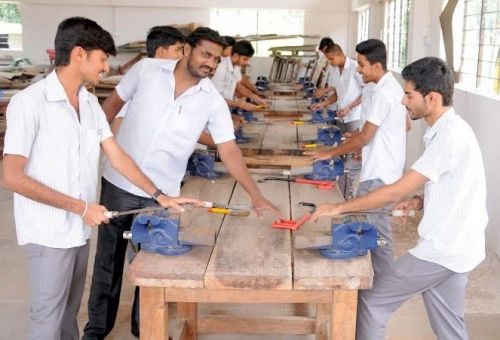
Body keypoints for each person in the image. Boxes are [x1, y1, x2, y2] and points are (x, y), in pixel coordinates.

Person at [1, 17, 199, 340]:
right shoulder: (30, 102)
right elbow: (11, 176)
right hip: (48, 231)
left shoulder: (90, 104)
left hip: (78, 231)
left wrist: (158, 194)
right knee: (47, 318)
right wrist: (80, 207)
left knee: (67, 315)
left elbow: (116, 155)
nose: (106, 67)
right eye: (103, 59)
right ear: (79, 54)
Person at [83, 27, 282, 339]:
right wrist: (87, 145)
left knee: (153, 264)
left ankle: (144, 326)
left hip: (163, 195)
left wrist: (254, 194)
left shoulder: (211, 100)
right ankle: (96, 330)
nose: (211, 64)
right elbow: (110, 107)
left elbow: (228, 149)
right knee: (108, 261)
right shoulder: (147, 70)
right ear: (187, 49)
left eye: (216, 60)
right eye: (206, 55)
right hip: (119, 182)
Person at [310, 56, 488, 340]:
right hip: (461, 248)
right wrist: (420, 202)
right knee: (450, 328)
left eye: (408, 95)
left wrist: (340, 207)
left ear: (431, 97)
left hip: (442, 251)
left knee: (371, 301)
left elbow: (395, 190)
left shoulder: (450, 136)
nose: (403, 102)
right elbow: (459, 186)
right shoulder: (452, 130)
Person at [305, 39, 407, 275]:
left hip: (382, 173)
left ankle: (385, 280)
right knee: (370, 226)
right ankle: (378, 275)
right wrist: (364, 138)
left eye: (361, 64)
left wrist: (329, 153)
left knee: (379, 234)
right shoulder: (375, 86)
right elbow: (402, 126)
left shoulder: (387, 91)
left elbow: (367, 136)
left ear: (377, 66)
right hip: (376, 168)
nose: (358, 68)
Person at [311, 43, 364, 199]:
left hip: (355, 117)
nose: (330, 62)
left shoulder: (355, 67)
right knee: (341, 153)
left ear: (340, 54)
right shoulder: (334, 70)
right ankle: (341, 190)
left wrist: (349, 107)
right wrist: (324, 103)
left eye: (331, 59)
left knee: (352, 157)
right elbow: (337, 93)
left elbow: (364, 94)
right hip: (342, 116)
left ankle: (349, 195)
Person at [111, 25, 185, 134]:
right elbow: (118, 119)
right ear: (161, 52)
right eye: (178, 50)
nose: (181, 56)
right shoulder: (144, 77)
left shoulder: (171, 79)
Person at [211, 39, 267, 112]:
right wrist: (242, 105)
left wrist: (255, 97)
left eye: (248, 60)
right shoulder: (221, 69)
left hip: (225, 108)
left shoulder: (236, 66)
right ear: (235, 56)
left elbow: (238, 86)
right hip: (216, 109)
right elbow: (216, 98)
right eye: (245, 59)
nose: (247, 63)